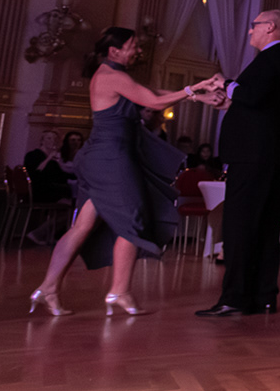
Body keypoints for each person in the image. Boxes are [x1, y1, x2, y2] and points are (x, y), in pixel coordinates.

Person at [28, 29, 224, 316]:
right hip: (111, 159)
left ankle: (48, 289)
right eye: (133, 46)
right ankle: (119, 291)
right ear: (115, 51)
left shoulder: (113, 74)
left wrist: (198, 94)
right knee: (134, 219)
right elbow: (152, 102)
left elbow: (152, 94)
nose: (138, 51)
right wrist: (194, 91)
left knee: (82, 226)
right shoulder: (112, 76)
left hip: (101, 157)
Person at [198, 10, 280, 318]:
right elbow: (262, 104)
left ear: (269, 27)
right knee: (266, 227)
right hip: (271, 155)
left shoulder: (272, 58)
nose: (249, 31)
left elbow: (253, 96)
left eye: (254, 25)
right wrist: (231, 98)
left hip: (253, 156)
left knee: (240, 226)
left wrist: (228, 83)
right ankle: (264, 296)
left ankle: (235, 298)